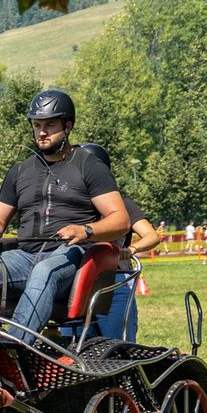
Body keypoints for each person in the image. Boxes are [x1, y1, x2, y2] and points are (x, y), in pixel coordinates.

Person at [0, 89, 129, 342]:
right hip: (23, 255)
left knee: (45, 270)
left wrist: (85, 230)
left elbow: (120, 220)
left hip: (71, 255)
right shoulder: (19, 171)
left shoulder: (89, 166)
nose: (41, 132)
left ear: (68, 126)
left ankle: (14, 346)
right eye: (37, 125)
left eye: (49, 125)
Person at [76, 143, 159, 342]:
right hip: (77, 284)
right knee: (73, 346)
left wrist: (130, 249)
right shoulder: (72, 204)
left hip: (115, 283)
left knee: (119, 346)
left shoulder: (121, 203)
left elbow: (152, 236)